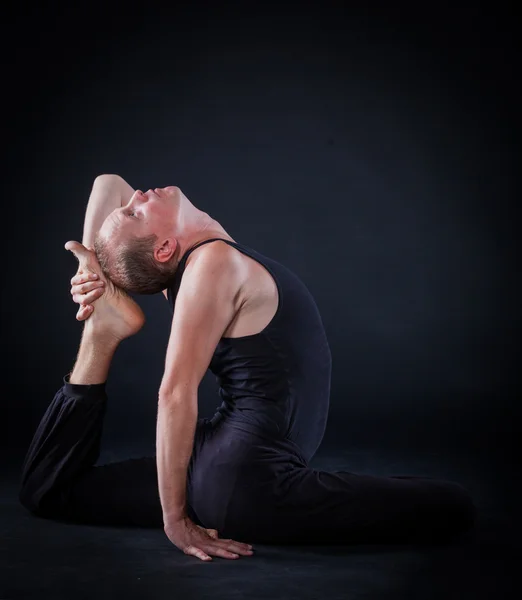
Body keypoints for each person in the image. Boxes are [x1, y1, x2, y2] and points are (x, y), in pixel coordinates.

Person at [18, 174, 476, 562]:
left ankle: (104, 325)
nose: (136, 197)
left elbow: (107, 183)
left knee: (52, 491)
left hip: (225, 466)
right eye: (135, 213)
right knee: (450, 506)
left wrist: (94, 272)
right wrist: (174, 520)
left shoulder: (200, 263)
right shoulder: (210, 265)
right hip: (247, 482)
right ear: (163, 249)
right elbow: (175, 393)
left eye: (132, 208)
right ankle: (102, 332)